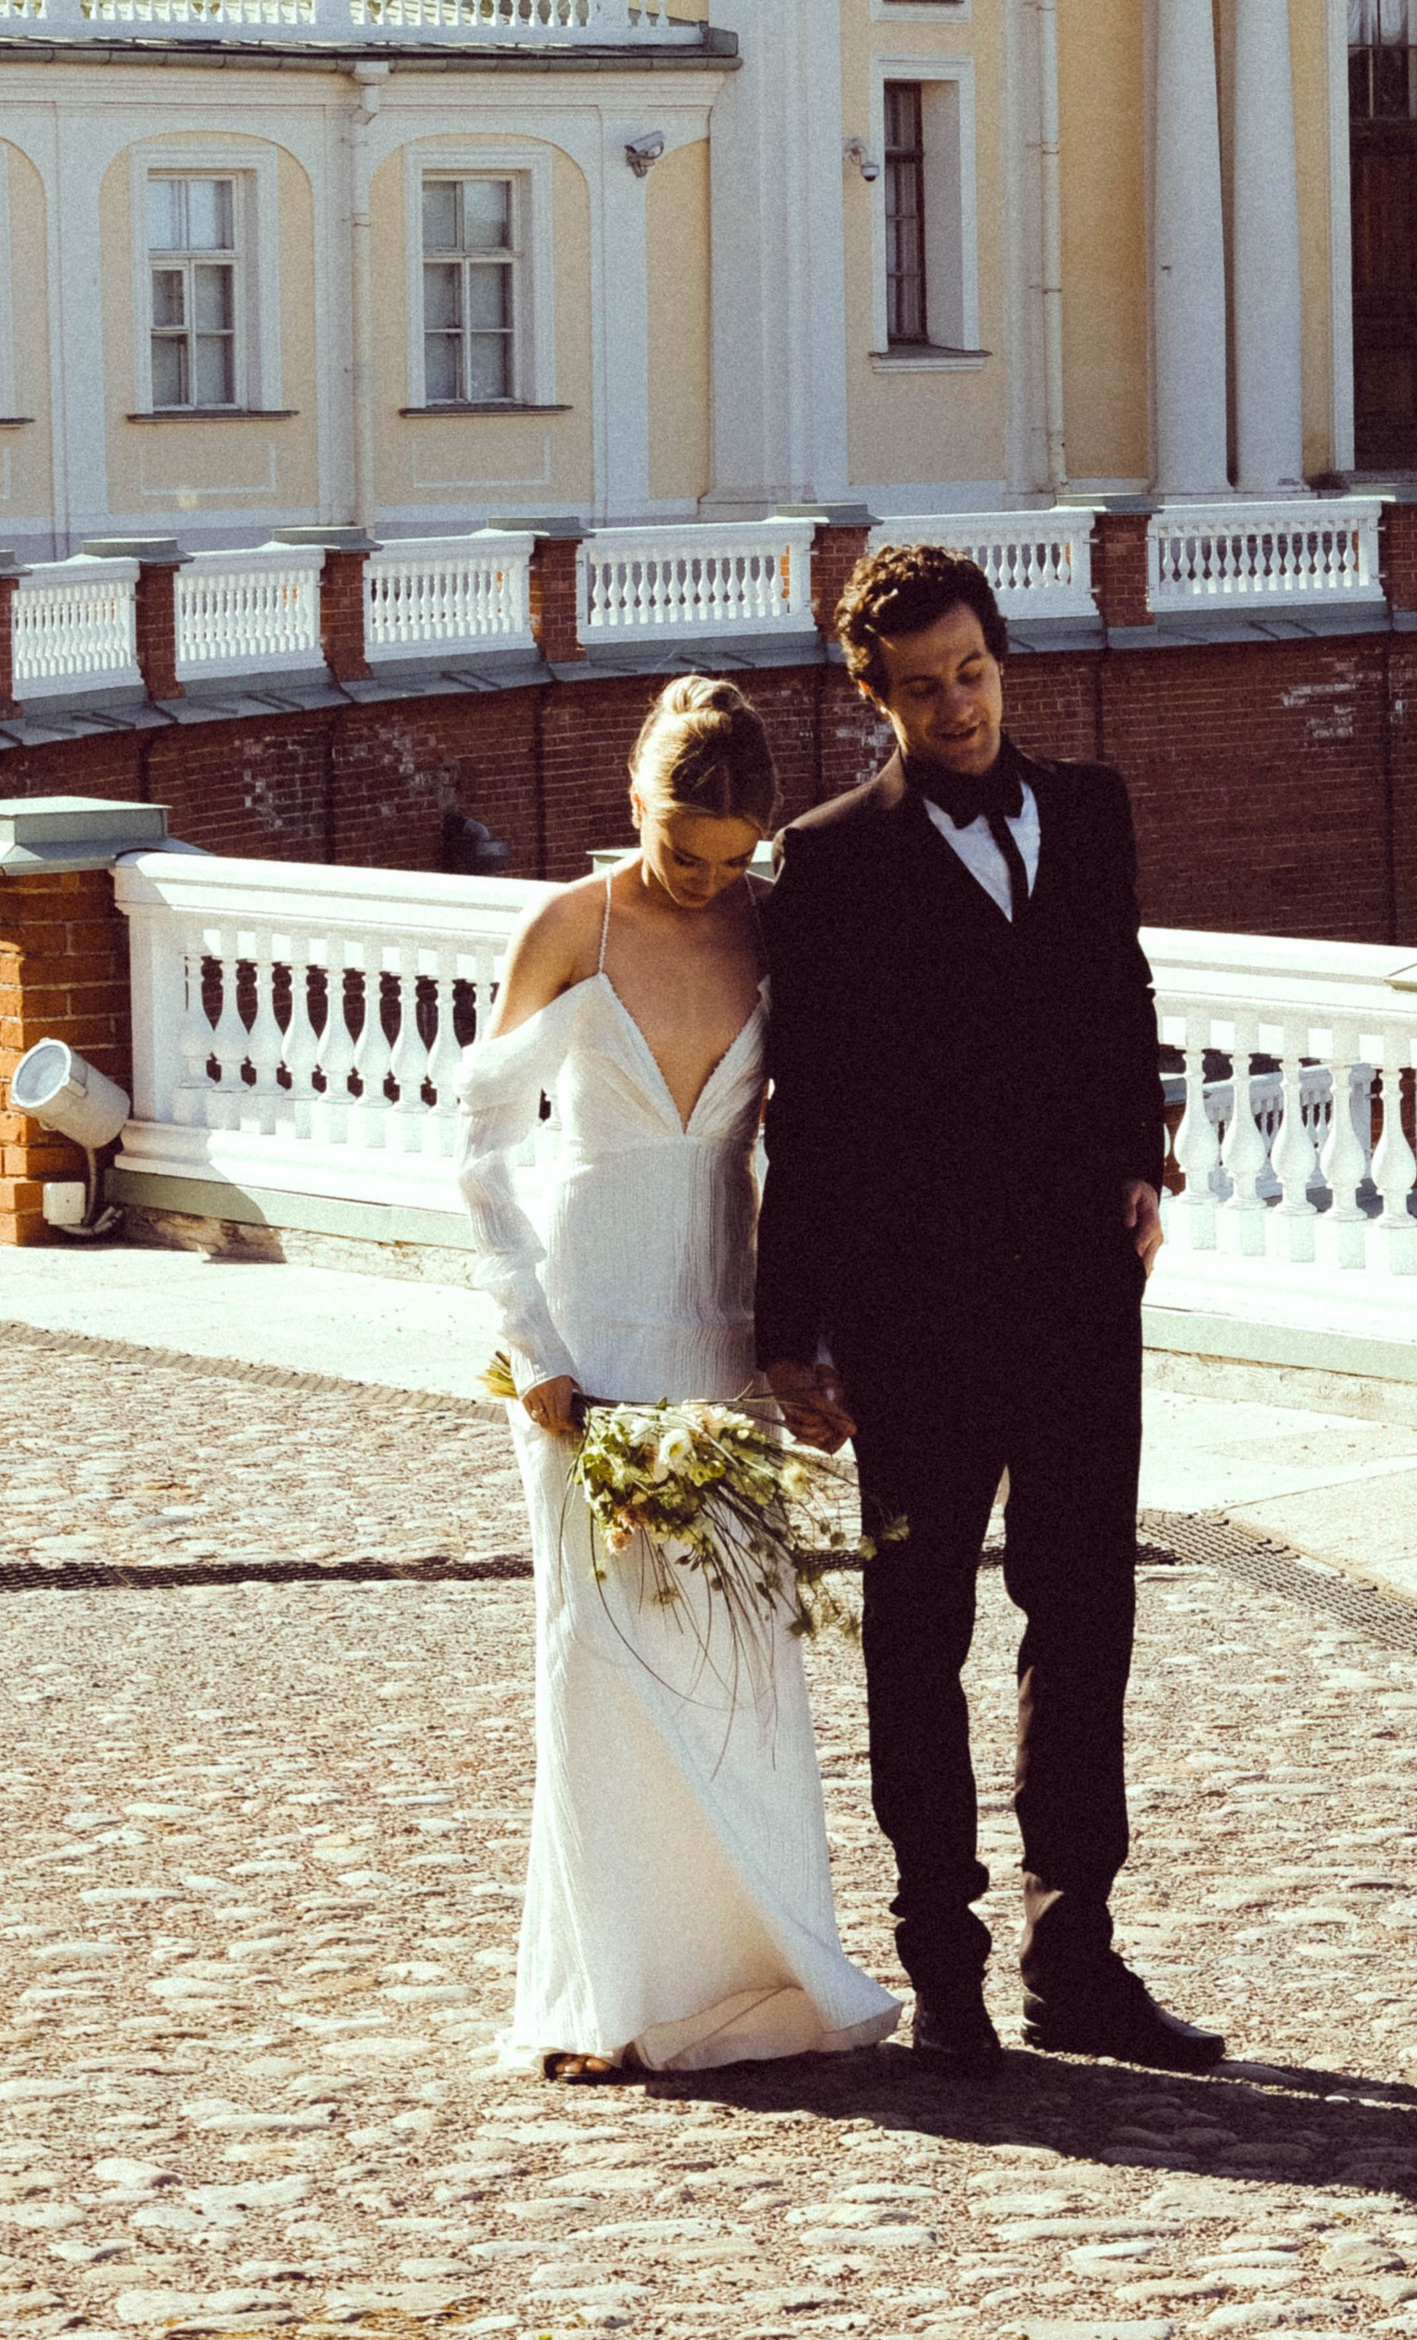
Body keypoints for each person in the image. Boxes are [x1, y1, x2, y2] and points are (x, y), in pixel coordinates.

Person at [757, 544, 1224, 2076]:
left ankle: (1072, 1953)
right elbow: (806, 1116)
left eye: (973, 673)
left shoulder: (1091, 811)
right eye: (920, 689)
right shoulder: (827, 860)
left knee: (1085, 1622)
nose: (955, 707)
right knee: (920, 1632)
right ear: (872, 701)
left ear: (1000, 661)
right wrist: (789, 1330)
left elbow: (1123, 1001)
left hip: (1086, 1302)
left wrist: (1143, 1156)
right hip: (916, 1317)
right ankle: (942, 1965)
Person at [456, 673, 899, 2083]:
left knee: (736, 1654)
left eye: (729, 858)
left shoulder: (767, 933)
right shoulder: (566, 926)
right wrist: (530, 1350)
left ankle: (760, 1969)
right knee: (599, 1651)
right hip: (588, 1329)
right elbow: (476, 1150)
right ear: (634, 795)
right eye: (676, 842)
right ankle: (611, 1998)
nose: (699, 878)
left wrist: (808, 1339)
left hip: (724, 1320)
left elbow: (819, 1147)